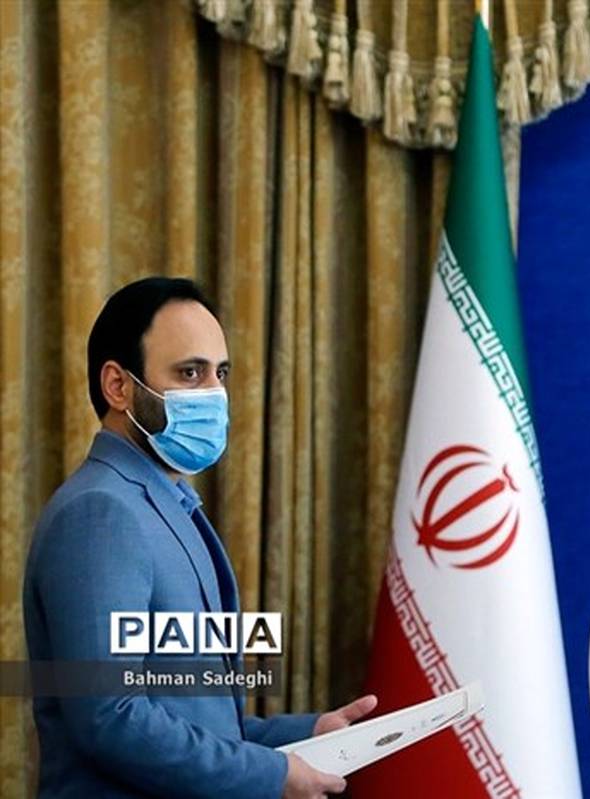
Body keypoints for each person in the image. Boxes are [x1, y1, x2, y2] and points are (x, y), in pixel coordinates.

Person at [23, 277, 377, 798]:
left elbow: (193, 716)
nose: (214, 394)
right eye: (190, 373)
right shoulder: (100, 514)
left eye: (221, 373)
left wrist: (309, 734)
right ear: (118, 386)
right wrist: (271, 776)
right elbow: (111, 715)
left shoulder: (168, 503)